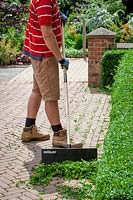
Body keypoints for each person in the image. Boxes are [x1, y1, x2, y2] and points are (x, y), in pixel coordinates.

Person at [21, 0, 83, 148]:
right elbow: (47, 33)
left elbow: (43, 18)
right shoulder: (44, 1)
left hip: (37, 52)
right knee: (51, 97)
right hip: (45, 55)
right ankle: (59, 135)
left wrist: (56, 16)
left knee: (37, 91)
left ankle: (29, 130)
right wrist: (60, 58)